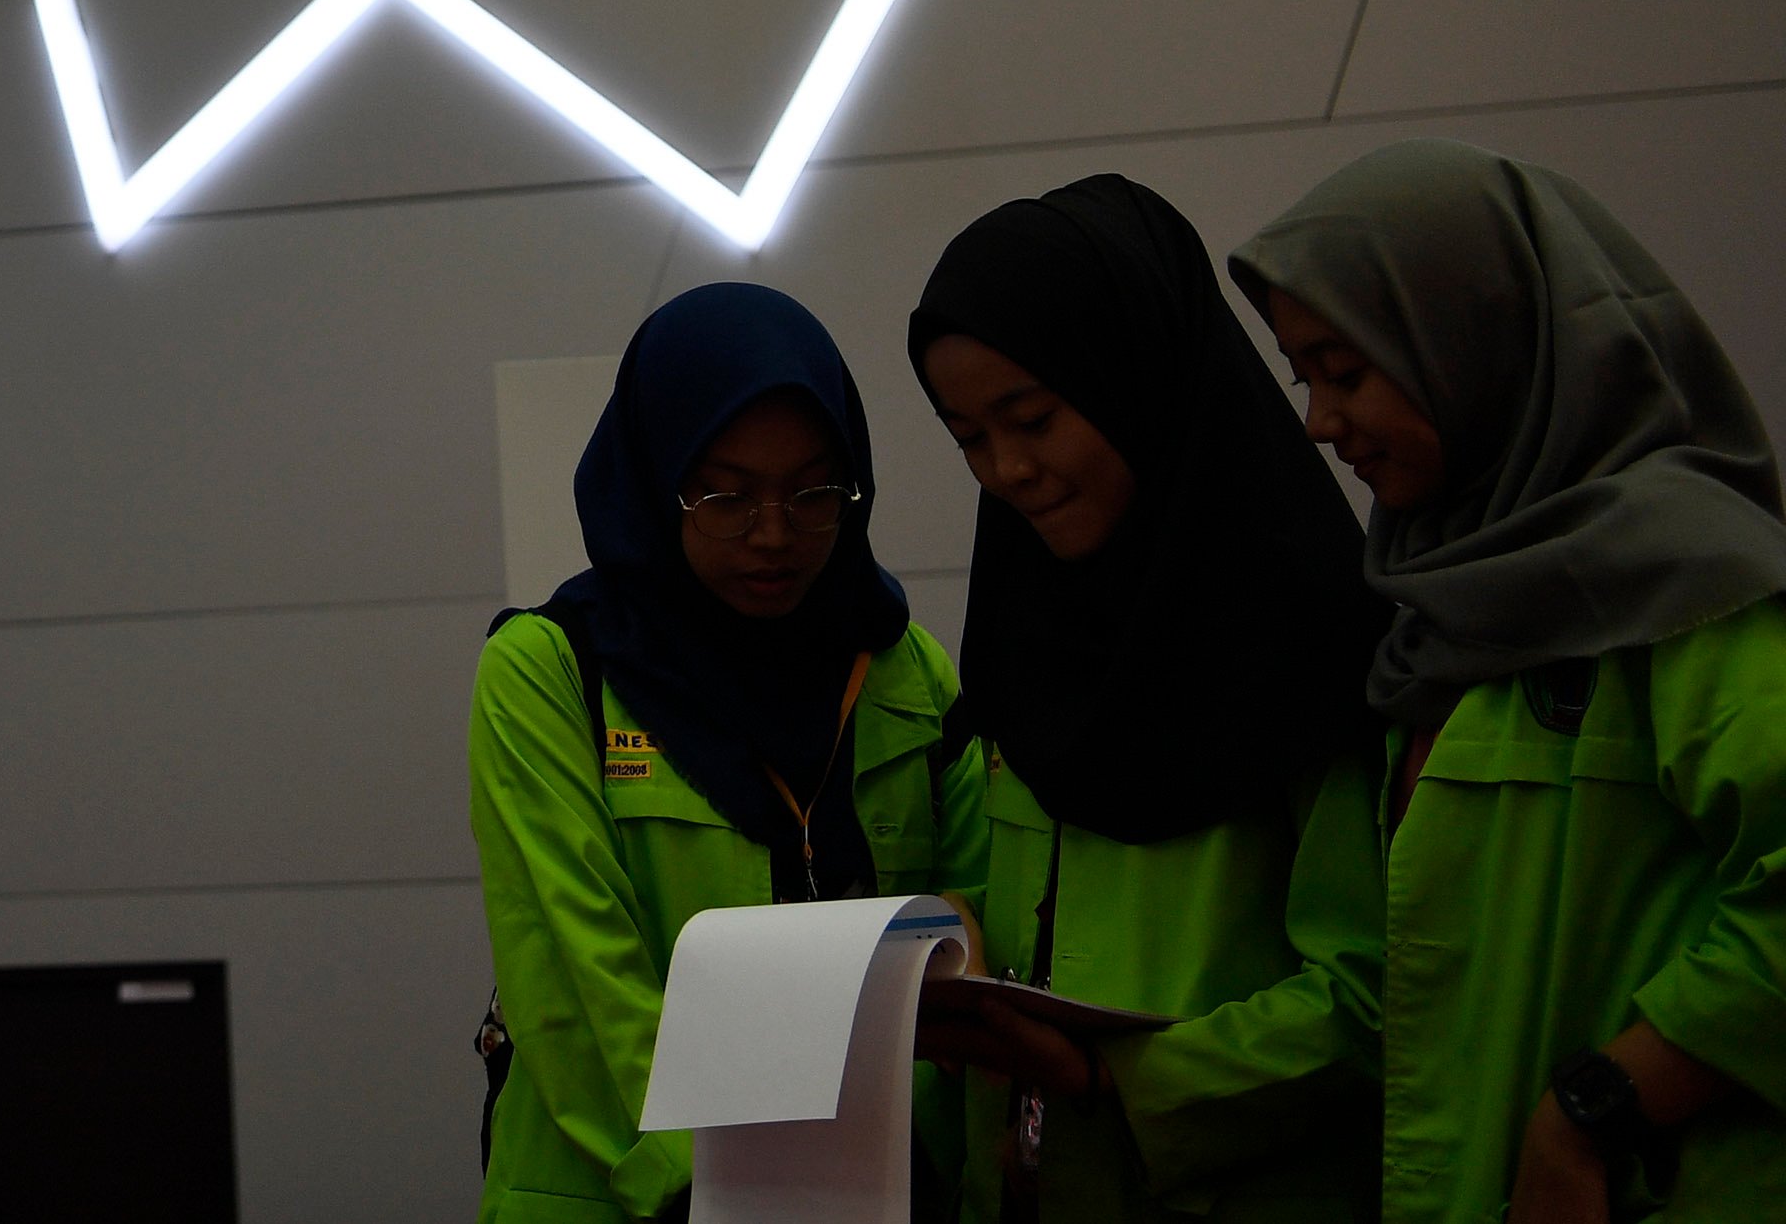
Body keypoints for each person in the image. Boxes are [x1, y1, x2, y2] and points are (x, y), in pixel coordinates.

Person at [1232, 142, 1786, 1224]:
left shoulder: (1689, 581)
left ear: (1467, 336)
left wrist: (1594, 1110)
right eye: (1304, 377)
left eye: (1346, 370)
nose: (1318, 421)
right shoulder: (1438, 609)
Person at [905, 174, 1389, 1223]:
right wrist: (949, 938)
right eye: (969, 438)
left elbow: (1375, 995)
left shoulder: (1315, 634)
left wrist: (1117, 1077)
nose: (1009, 469)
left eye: (1032, 418)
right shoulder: (1021, 639)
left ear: (1136, 377)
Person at [473, 282, 981, 1220]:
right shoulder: (552, 671)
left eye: (813, 492)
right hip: (638, 1196)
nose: (774, 535)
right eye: (726, 496)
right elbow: (576, 977)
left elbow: (969, 940)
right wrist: (711, 1190)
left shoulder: (903, 668)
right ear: (655, 479)